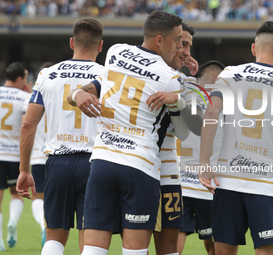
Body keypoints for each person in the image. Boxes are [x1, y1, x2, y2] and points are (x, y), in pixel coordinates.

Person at [67, 10, 187, 255]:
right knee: (134, 251)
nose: (179, 47)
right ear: (160, 41)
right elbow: (191, 127)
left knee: (92, 249)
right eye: (177, 41)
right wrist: (181, 96)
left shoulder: (115, 52)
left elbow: (97, 85)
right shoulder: (171, 79)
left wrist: (76, 93)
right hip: (139, 167)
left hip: (102, 162)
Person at [199, 21, 273, 255]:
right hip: (267, 186)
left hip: (227, 183)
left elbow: (211, 113)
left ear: (253, 48)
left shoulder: (229, 73)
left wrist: (204, 163)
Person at [16, 18, 104, 255]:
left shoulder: (47, 74)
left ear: (71, 42)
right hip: (95, 163)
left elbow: (27, 125)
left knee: (54, 238)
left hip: (57, 163)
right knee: (91, 237)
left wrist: (25, 171)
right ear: (100, 46)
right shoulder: (107, 76)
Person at [153, 22, 199, 255]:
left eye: (189, 45)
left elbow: (193, 128)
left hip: (168, 171)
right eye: (183, 44)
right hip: (133, 164)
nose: (187, 51)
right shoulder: (141, 72)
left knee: (169, 246)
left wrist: (183, 91)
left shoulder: (187, 83)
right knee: (134, 242)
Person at [178, 60, 225, 255]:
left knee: (176, 238)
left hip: (179, 181)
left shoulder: (183, 93)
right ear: (217, 80)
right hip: (209, 184)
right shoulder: (219, 102)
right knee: (214, 243)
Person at [0, 62, 30, 252]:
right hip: (16, 154)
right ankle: (12, 222)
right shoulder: (25, 97)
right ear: (20, 78)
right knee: (16, 194)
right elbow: (27, 124)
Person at [28, 62, 53, 248]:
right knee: (57, 200)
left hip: (37, 157)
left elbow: (26, 126)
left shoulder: (30, 98)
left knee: (38, 198)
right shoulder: (60, 96)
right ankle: (51, 228)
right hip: (57, 157)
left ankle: (42, 225)